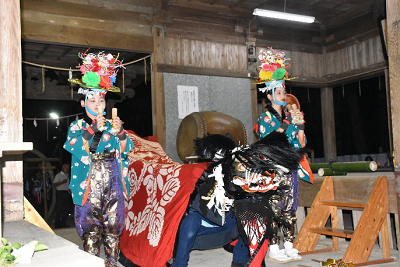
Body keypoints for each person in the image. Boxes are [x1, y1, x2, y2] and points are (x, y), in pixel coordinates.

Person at [64, 50, 134, 267]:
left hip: (113, 177)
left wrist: (120, 132)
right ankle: (91, 263)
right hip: (91, 179)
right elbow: (73, 145)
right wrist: (94, 129)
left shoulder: (112, 127)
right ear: (83, 104)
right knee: (91, 229)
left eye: (101, 100)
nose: (97, 104)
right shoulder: (78, 126)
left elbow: (126, 149)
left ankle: (112, 263)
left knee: (113, 228)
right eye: (91, 100)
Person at [254, 47, 313, 263]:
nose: (282, 94)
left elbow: (300, 142)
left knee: (290, 207)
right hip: (273, 169)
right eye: (278, 92)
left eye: (284, 90)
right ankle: (272, 246)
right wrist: (288, 122)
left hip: (290, 167)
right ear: (269, 95)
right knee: (274, 208)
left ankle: (288, 243)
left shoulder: (290, 116)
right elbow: (270, 140)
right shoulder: (265, 119)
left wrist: (300, 124)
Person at [53, 163, 71, 229]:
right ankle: (57, 224)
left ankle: (63, 222)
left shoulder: (67, 175)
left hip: (66, 192)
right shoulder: (58, 175)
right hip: (60, 193)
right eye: (66, 168)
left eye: (68, 168)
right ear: (63, 168)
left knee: (65, 209)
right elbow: (54, 184)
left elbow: (67, 184)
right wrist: (62, 182)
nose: (67, 169)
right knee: (59, 208)